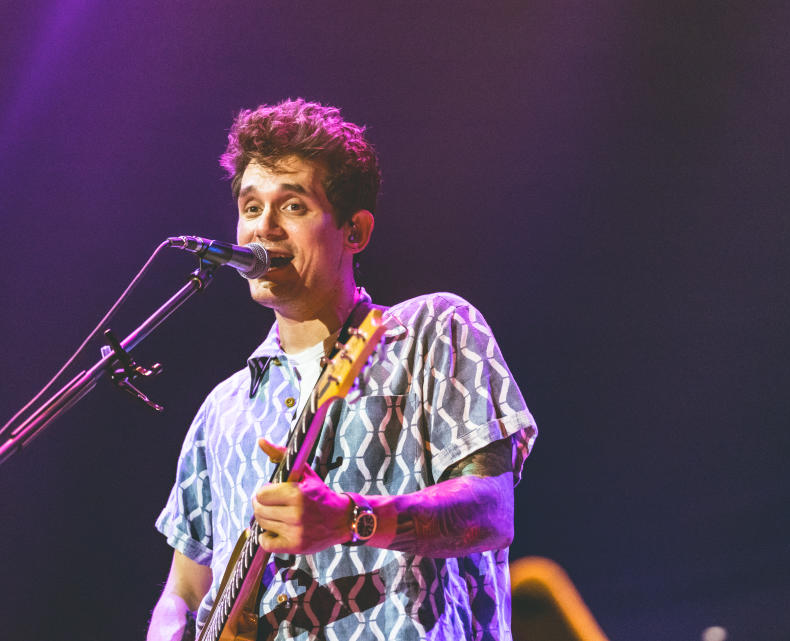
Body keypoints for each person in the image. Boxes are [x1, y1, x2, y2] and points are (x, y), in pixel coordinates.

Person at [148, 99, 538, 641]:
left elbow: (492, 513)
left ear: (354, 231)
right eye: (252, 206)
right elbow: (186, 590)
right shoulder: (223, 409)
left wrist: (350, 520)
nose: (264, 229)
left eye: (293, 207)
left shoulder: (430, 331)